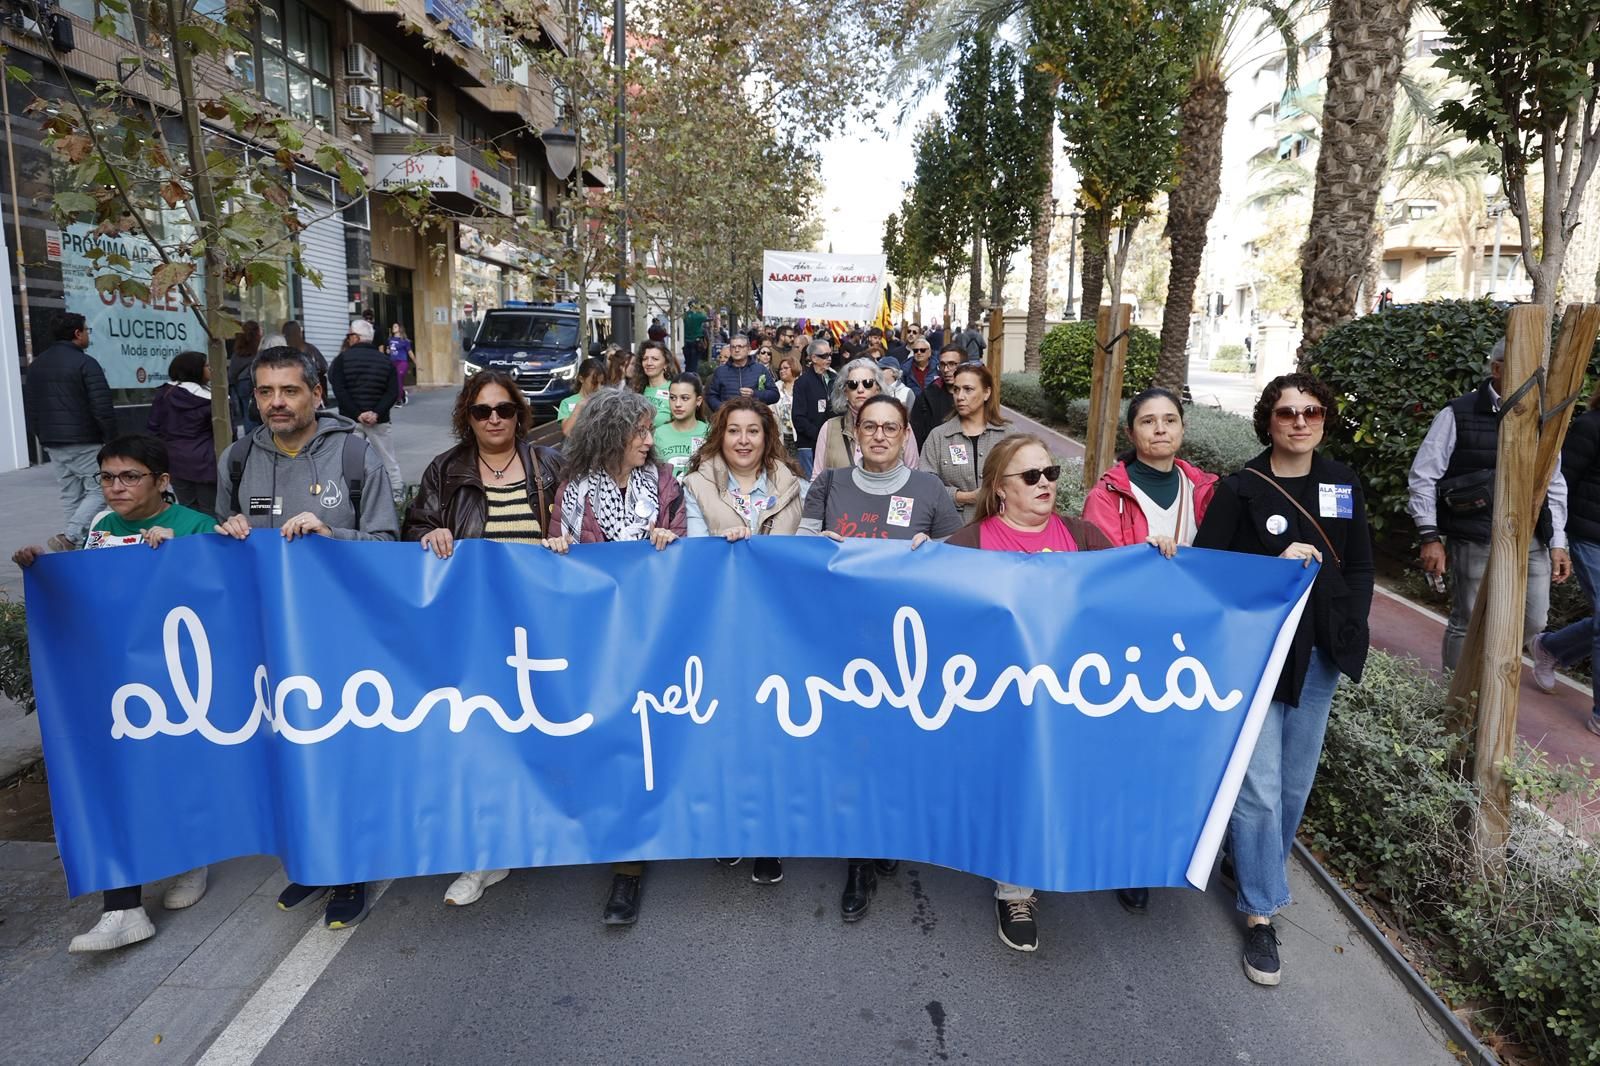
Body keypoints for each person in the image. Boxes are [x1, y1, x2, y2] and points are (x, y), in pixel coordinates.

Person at [1194, 372, 1374, 987]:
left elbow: (1361, 563)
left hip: (1320, 652)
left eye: (1313, 412)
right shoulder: (1241, 488)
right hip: (1259, 657)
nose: (1301, 422)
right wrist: (1271, 565)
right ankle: (1261, 911)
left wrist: (1351, 627)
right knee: (1261, 789)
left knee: (1294, 786)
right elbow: (1207, 573)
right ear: (1268, 420)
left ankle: (1249, 866)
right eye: (1288, 413)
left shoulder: (1343, 482)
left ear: (1324, 419)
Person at [215, 346, 398, 930]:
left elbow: (387, 548)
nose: (275, 402)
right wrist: (232, 530)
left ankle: (349, 870)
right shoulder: (238, 460)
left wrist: (330, 534)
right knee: (288, 753)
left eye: (288, 390)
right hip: (270, 639)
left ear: (316, 393)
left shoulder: (354, 453)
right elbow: (222, 550)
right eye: (265, 392)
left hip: (341, 636)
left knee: (340, 752)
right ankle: (314, 862)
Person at [12, 434, 217, 953]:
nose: (116, 487)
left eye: (130, 476)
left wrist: (178, 558)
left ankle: (191, 859)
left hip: (179, 675)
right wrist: (45, 567)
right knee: (119, 779)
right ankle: (123, 909)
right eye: (107, 477)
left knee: (176, 770)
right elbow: (91, 593)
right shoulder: (101, 528)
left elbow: (222, 598)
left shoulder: (195, 526)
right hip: (118, 677)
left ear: (162, 481)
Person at [943, 433, 1115, 951]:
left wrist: (1159, 558)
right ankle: (1014, 889)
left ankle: (1066, 858)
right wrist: (908, 560)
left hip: (1069, 692)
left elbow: (1129, 595)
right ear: (999, 489)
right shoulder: (967, 545)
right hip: (998, 696)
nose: (1046, 484)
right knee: (1013, 785)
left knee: (1058, 781)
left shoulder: (1084, 537)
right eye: (1031, 476)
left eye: (1051, 474)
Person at [403, 371, 561, 906]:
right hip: (472, 630)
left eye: (504, 409)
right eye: (481, 411)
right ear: (466, 417)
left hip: (545, 626)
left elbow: (586, 529)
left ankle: (538, 832)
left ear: (520, 414)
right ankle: (483, 853)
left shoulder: (549, 467)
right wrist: (430, 532)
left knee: (540, 734)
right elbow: (412, 530)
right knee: (479, 740)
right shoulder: (444, 472)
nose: (494, 419)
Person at [800, 394, 960, 919]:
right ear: (854, 432)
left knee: (898, 749)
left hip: (907, 645)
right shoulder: (829, 486)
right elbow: (796, 561)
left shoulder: (930, 489)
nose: (880, 436)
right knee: (854, 751)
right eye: (870, 427)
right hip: (841, 644)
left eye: (891, 427)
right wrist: (814, 549)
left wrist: (933, 555)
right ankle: (859, 858)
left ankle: (890, 833)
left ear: (905, 433)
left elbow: (962, 568)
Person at [543, 388, 686, 926]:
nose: (651, 441)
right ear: (611, 436)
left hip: (654, 632)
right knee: (607, 737)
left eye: (650, 432)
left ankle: (629, 867)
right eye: (641, 432)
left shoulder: (663, 484)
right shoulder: (574, 490)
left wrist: (668, 538)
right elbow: (559, 547)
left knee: (645, 738)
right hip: (595, 636)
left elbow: (682, 542)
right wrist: (557, 548)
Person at [1408, 340, 1570, 670]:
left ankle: (1490, 678)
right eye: (1518, 366)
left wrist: (1558, 543)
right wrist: (1430, 537)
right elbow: (1423, 476)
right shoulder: (1458, 413)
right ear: (1496, 369)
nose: (1529, 376)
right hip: (1474, 533)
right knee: (1466, 619)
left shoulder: (1542, 416)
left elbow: (1555, 483)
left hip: (1530, 535)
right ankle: (1454, 701)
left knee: (1535, 618)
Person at [1531, 380, 1600, 739]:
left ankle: (1551, 647)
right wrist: (1559, 539)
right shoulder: (1591, 426)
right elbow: (1563, 481)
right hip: (1589, 535)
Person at [1084, 387, 1218, 556]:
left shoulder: (1200, 488)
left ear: (1183, 428)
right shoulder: (1106, 497)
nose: (1160, 429)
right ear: (1130, 433)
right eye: (1148, 421)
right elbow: (1105, 567)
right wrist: (1149, 554)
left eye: (1170, 420)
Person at [22, 311, 117, 550]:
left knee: (70, 494)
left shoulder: (36, 366)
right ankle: (72, 536)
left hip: (52, 441)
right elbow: (102, 406)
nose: (88, 335)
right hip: (84, 439)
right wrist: (112, 439)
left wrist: (42, 436)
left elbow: (31, 406)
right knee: (100, 490)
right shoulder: (86, 363)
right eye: (86, 330)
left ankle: (73, 548)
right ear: (77, 333)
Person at [919, 363, 1010, 524]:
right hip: (953, 530)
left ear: (986, 393)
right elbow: (925, 486)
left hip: (1001, 529)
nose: (960, 396)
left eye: (968, 389)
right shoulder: (938, 436)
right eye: (956, 389)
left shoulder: (1008, 435)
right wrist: (963, 497)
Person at [329, 319, 403, 504]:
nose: (347, 339)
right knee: (388, 460)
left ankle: (348, 498)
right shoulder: (386, 361)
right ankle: (397, 497)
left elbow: (339, 389)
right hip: (380, 421)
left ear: (355, 337)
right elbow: (393, 391)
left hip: (351, 421)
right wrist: (376, 412)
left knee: (348, 460)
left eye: (349, 336)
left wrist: (357, 413)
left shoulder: (342, 360)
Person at [813, 357, 920, 473]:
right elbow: (817, 477)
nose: (860, 389)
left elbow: (913, 472)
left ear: (878, 388)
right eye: (853, 384)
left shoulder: (899, 425)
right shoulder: (829, 428)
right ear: (845, 392)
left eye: (867, 383)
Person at [145, 350, 219, 517]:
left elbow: (153, 429)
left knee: (187, 510)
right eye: (207, 366)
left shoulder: (164, 394)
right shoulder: (215, 399)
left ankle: (191, 543)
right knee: (211, 512)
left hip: (175, 461)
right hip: (207, 462)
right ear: (195, 370)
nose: (211, 369)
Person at [792, 339, 836, 477]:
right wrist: (819, 435)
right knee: (810, 484)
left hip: (832, 443)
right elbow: (798, 417)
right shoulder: (803, 382)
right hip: (809, 444)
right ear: (814, 358)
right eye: (824, 356)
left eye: (830, 354)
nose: (829, 358)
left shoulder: (835, 378)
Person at [705, 333, 779, 411]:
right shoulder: (720, 371)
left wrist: (754, 394)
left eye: (740, 346)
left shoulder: (760, 369)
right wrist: (722, 409)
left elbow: (774, 395)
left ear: (748, 349)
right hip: (727, 418)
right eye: (733, 347)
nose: (736, 350)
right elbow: (711, 396)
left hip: (754, 417)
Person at [655, 373, 709, 480]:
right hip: (666, 495)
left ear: (698, 401)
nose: (677, 404)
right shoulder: (659, 433)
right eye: (673, 398)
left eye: (685, 398)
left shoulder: (709, 432)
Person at [910, 346, 965, 448]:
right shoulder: (927, 396)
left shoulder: (973, 396)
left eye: (952, 364)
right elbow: (916, 433)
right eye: (942, 365)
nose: (946, 369)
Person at [630, 338, 680, 426]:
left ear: (665, 364)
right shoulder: (635, 389)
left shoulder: (675, 389)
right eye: (645, 359)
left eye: (655, 359)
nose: (649, 363)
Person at [558, 356, 607, 436]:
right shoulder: (567, 403)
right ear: (581, 379)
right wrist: (579, 407)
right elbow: (567, 431)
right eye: (594, 383)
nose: (599, 388)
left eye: (602, 383)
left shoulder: (604, 401)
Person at [282, 320, 328, 398]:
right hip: (312, 392)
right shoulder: (311, 349)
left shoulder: (286, 353)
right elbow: (324, 367)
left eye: (285, 335)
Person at [774, 356, 800, 457]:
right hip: (781, 434)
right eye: (780, 369)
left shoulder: (802, 385)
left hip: (797, 435)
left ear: (794, 368)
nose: (782, 371)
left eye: (785, 368)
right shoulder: (775, 387)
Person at [385, 323, 414, 408]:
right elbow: (388, 349)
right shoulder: (390, 339)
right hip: (392, 362)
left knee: (398, 376)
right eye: (393, 326)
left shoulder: (405, 341)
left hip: (402, 362)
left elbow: (410, 352)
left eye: (395, 326)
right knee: (394, 381)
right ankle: (402, 394)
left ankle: (399, 400)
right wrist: (388, 351)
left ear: (400, 329)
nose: (393, 328)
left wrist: (416, 363)